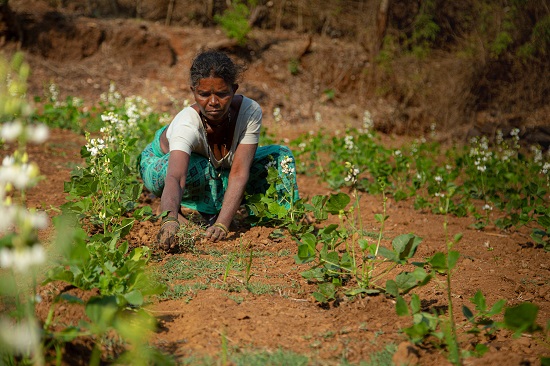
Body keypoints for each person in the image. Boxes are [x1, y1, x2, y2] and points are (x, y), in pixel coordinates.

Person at [139, 50, 299, 250]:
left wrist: (222, 224)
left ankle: (274, 221)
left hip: (220, 167)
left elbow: (240, 170)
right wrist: (169, 220)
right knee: (198, 168)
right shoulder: (186, 124)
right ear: (193, 91)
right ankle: (170, 210)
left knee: (277, 158)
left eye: (222, 94)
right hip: (162, 165)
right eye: (204, 94)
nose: (213, 102)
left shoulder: (249, 112)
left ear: (234, 89)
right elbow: (175, 177)